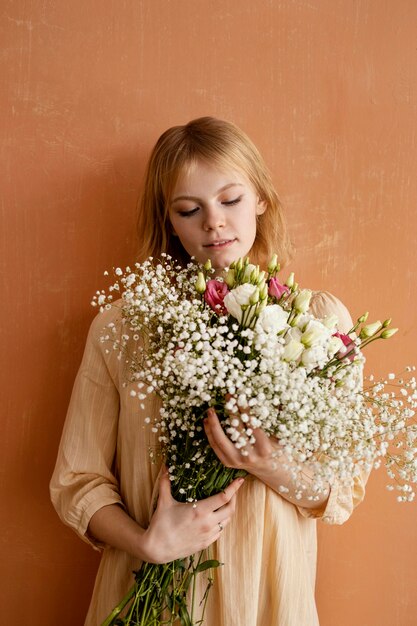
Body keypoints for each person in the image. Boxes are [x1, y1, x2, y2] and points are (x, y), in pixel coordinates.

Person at [50, 117, 367, 626]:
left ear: (261, 198)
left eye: (231, 200)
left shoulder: (321, 325)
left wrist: (269, 464)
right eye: (189, 209)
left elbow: (341, 491)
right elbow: (75, 480)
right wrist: (148, 543)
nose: (214, 223)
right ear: (169, 220)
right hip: (147, 599)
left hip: (268, 601)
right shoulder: (122, 328)